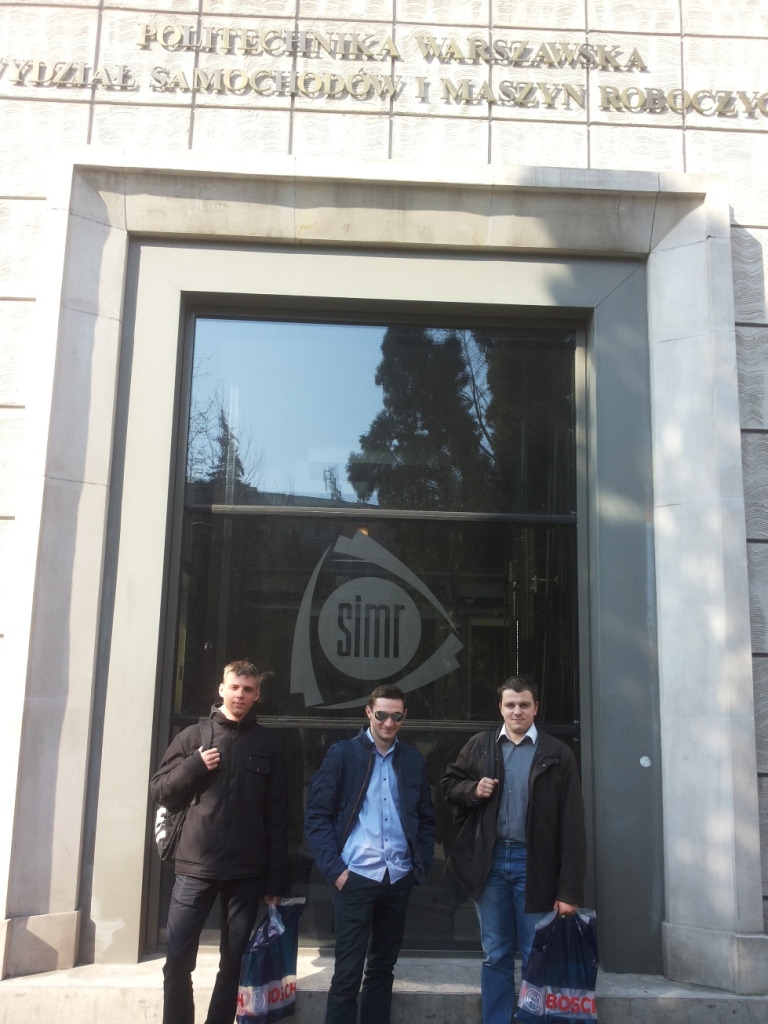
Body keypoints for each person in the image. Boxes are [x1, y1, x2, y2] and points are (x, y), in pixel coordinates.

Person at [150, 660, 288, 1024]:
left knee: (234, 965)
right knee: (177, 961)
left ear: (257, 695)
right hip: (194, 869)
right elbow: (160, 790)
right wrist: (194, 766)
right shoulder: (193, 736)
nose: (240, 695)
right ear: (221, 689)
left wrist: (275, 881)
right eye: (234, 687)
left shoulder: (270, 745)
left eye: (248, 689)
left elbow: (278, 817)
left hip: (246, 872)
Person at [441, 677, 586, 1024]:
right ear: (500, 708)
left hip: (534, 865)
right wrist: (472, 789)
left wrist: (569, 891)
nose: (517, 711)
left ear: (536, 708)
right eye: (510, 705)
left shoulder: (557, 754)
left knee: (537, 954)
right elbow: (448, 785)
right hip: (490, 863)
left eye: (524, 705)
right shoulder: (480, 745)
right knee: (495, 953)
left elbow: (572, 825)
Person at [304, 684, 435, 1024]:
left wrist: (419, 864)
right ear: (368, 712)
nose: (388, 722)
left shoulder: (412, 759)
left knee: (382, 968)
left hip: (397, 877)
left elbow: (425, 816)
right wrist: (335, 870)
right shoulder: (343, 754)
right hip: (355, 876)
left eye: (396, 716)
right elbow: (316, 816)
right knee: (347, 973)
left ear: (404, 716)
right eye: (382, 714)